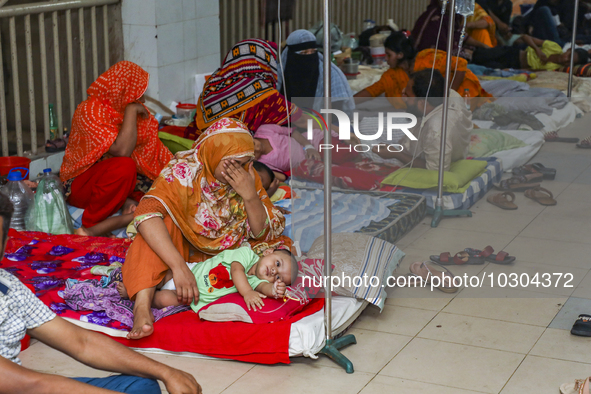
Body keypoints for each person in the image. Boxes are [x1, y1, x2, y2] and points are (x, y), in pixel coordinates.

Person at [0, 193, 201, 394]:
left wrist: (167, 372)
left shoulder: (8, 286)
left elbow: (82, 342)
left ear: (4, 244)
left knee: (143, 384)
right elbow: (30, 384)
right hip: (20, 386)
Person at [121, 118, 291, 340]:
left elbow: (263, 233)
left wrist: (249, 195)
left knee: (279, 248)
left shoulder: (248, 175)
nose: (238, 172)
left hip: (228, 255)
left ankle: (168, 285)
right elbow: (146, 213)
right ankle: (142, 306)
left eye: (245, 163)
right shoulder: (184, 171)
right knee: (155, 226)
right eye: (232, 164)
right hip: (182, 251)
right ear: (213, 154)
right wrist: (180, 268)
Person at [60, 61, 173, 237]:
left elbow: (154, 153)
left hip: (117, 182)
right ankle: (93, 225)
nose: (142, 101)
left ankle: (125, 208)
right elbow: (122, 151)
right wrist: (130, 110)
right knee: (124, 167)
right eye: (138, 95)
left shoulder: (132, 112)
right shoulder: (90, 111)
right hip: (82, 184)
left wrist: (177, 170)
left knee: (163, 191)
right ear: (123, 91)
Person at [183, 38, 322, 161]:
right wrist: (338, 129)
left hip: (194, 146)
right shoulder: (262, 92)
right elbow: (302, 119)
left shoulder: (213, 83)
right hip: (230, 159)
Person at [119, 246, 297, 312]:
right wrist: (248, 293)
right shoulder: (246, 253)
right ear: (268, 252)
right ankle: (134, 291)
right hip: (188, 273)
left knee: (163, 299)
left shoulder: (255, 281)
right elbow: (236, 271)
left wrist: (274, 291)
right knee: (157, 275)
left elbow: (263, 289)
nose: (274, 272)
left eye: (279, 277)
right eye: (278, 264)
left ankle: (141, 298)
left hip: (193, 297)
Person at [372, 69, 472, 171]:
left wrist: (396, 154)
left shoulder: (435, 130)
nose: (403, 95)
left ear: (423, 103)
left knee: (366, 141)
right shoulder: (452, 94)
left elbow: (434, 170)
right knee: (369, 128)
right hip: (419, 134)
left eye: (407, 95)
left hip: (418, 154)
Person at [354, 32, 491, 102]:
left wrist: (448, 95)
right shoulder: (392, 75)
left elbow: (461, 65)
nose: (386, 59)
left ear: (400, 55)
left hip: (463, 92)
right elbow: (372, 91)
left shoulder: (427, 58)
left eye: (389, 55)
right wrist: (345, 104)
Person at [276, 29, 355, 115]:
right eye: (304, 53)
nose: (309, 57)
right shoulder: (278, 73)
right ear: (291, 55)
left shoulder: (330, 74)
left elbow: (337, 114)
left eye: (313, 52)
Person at [412, 0, 491, 55]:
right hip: (433, 60)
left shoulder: (453, 16)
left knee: (491, 54)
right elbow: (441, 50)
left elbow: (459, 35)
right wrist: (465, 52)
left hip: (455, 54)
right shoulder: (435, 18)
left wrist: (484, 46)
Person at [472, 34, 590, 71]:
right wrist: (537, 50)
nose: (565, 59)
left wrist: (513, 71)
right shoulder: (555, 47)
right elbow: (525, 37)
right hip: (513, 53)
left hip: (514, 65)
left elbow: (531, 71)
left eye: (569, 62)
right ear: (569, 50)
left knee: (482, 67)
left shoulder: (554, 68)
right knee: (479, 55)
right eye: (568, 56)